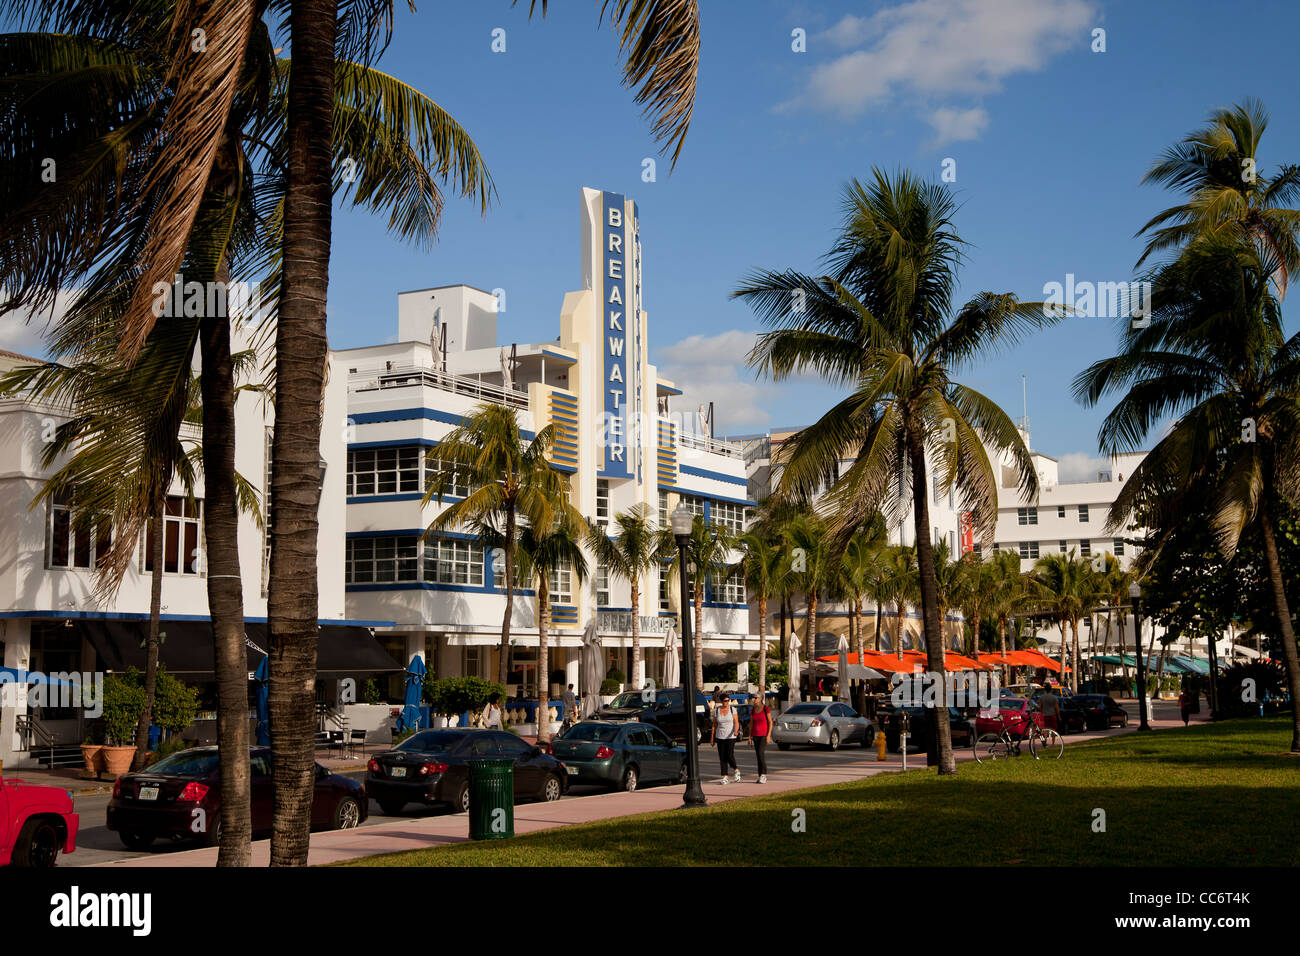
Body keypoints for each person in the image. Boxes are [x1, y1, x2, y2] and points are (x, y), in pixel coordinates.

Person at [712, 694, 741, 784]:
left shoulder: (732, 710)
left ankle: (736, 770)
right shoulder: (717, 710)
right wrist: (712, 738)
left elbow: (736, 722)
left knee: (729, 754)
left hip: (730, 736)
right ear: (721, 701)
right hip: (720, 736)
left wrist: (736, 731)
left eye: (728, 700)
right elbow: (714, 725)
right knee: (722, 757)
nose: (727, 702)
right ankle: (725, 776)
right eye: (725, 701)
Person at [748, 689, 772, 784]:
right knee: (758, 755)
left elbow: (770, 722)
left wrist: (768, 735)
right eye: (754, 698)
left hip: (763, 735)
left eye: (756, 698)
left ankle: (764, 774)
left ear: (760, 699)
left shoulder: (766, 708)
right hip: (755, 735)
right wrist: (749, 736)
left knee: (761, 754)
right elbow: (751, 723)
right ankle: (759, 775)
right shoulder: (753, 710)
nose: (754, 699)